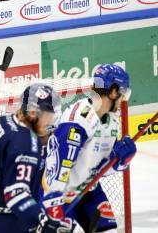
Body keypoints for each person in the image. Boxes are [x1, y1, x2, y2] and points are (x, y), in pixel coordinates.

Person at [41, 64, 137, 232]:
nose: (123, 99)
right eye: (123, 93)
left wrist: (118, 162)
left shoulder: (112, 121)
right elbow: (59, 164)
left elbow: (99, 169)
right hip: (59, 194)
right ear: (113, 91)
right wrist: (53, 203)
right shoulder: (80, 118)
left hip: (89, 190)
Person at [0, 83, 75, 233]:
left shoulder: (7, 121)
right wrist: (44, 222)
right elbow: (16, 193)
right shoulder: (25, 143)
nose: (52, 122)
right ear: (33, 113)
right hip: (4, 219)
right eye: (49, 115)